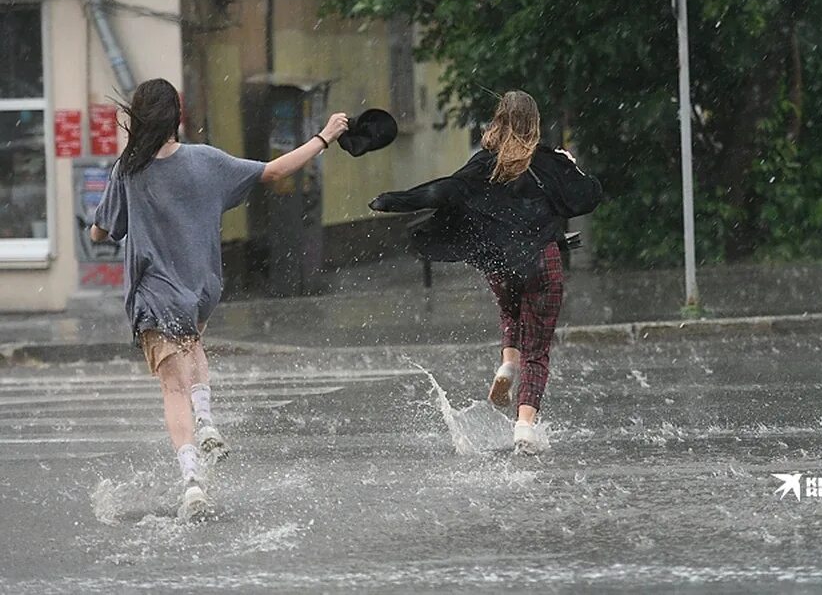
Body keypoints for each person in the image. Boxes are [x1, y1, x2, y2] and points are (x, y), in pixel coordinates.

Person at [90, 78, 349, 518]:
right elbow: (275, 171)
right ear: (178, 117)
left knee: (173, 388)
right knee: (193, 346)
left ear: (138, 118)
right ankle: (207, 417)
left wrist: (94, 228)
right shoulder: (207, 161)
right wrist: (324, 137)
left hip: (155, 296)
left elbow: (103, 230)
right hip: (201, 289)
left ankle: (191, 479)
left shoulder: (127, 171)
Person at [368, 90, 601, 452]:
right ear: (534, 124)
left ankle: (507, 363)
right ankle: (524, 427)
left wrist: (393, 200)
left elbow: (444, 190)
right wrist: (570, 166)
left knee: (511, 309)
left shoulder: (483, 165)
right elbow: (589, 195)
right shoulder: (550, 162)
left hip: (500, 261)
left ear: (498, 120)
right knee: (537, 351)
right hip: (542, 259)